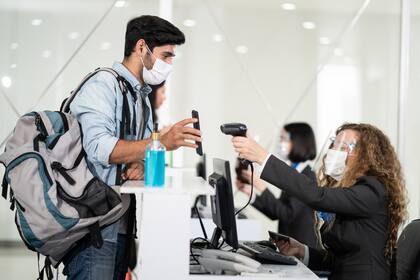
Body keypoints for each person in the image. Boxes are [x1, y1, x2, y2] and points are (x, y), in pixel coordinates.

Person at [63, 15, 202, 280]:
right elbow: (99, 148)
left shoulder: (140, 96)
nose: (170, 64)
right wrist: (160, 143)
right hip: (95, 226)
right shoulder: (103, 85)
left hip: (122, 224)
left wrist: (139, 163)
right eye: (167, 55)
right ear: (141, 48)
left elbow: (134, 150)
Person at [231, 123, 407, 280]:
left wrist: (263, 157)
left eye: (342, 146)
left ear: (365, 154)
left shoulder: (372, 190)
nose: (333, 150)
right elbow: (339, 260)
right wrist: (302, 251)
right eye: (334, 144)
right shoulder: (355, 191)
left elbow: (317, 196)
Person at [236, 122, 319, 248]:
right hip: (288, 245)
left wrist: (261, 187)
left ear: (298, 142)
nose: (280, 143)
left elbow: (287, 215)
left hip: (301, 248)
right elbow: (277, 213)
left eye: (283, 139)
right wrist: (251, 194)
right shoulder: (294, 171)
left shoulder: (307, 175)